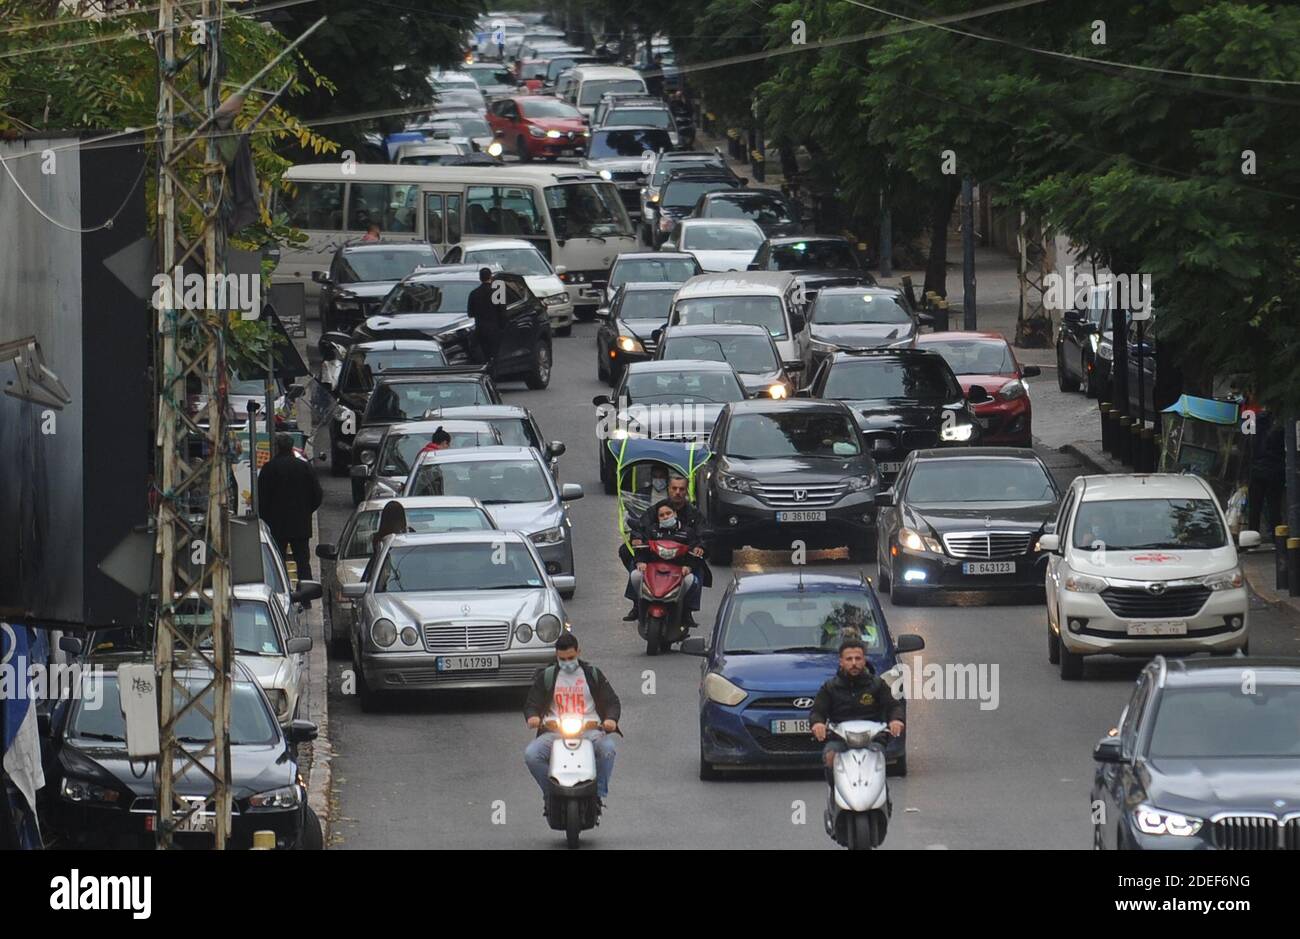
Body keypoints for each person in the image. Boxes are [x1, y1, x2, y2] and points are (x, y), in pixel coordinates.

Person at [523, 632, 621, 804]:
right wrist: (532, 716)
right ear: (556, 656)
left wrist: (611, 719)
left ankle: (597, 794)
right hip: (554, 732)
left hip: (589, 731)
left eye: (571, 657)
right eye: (563, 659)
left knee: (608, 750)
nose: (567, 662)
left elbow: (611, 701)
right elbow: (532, 703)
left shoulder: (592, 675)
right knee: (532, 755)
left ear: (578, 652)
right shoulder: (547, 676)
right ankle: (551, 794)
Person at [809, 636, 905, 784]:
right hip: (840, 739)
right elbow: (817, 711)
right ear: (841, 662)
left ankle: (883, 799)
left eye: (858, 658)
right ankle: (835, 794)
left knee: (876, 761)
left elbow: (894, 706)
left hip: (872, 738)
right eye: (849, 659)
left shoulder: (877, 685)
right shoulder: (830, 687)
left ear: (864, 660)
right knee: (830, 757)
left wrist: (896, 720)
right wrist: (817, 723)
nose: (854, 663)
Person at [621, 473, 707, 620]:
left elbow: (702, 535)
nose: (678, 492)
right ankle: (637, 603)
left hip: (683, 557)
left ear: (686, 491)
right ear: (669, 489)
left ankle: (688, 609)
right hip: (656, 554)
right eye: (674, 488)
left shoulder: (694, 514)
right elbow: (641, 527)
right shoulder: (657, 509)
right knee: (630, 556)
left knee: (698, 568)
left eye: (681, 489)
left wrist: (701, 547)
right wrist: (637, 540)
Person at [257, 433, 323, 597]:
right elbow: (317, 495)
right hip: (300, 524)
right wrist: (306, 512)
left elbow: (261, 498)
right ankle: (306, 596)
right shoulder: (305, 467)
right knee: (302, 562)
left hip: (276, 525)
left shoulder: (269, 468)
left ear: (277, 447)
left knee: (278, 562)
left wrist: (267, 518)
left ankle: (282, 594)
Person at [1248, 408, 1285, 535]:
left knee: (1254, 508)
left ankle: (1252, 537)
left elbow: (1248, 445)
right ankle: (1277, 538)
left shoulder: (1253, 422)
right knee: (1274, 507)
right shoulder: (1280, 426)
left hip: (1257, 470)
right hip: (1275, 471)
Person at [467, 267, 505, 374]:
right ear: (491, 277)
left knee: (483, 355)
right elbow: (503, 312)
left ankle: (485, 373)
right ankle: (493, 376)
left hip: (480, 329)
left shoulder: (474, 293)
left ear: (480, 278)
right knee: (494, 356)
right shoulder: (497, 293)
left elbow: (470, 313)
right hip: (494, 329)